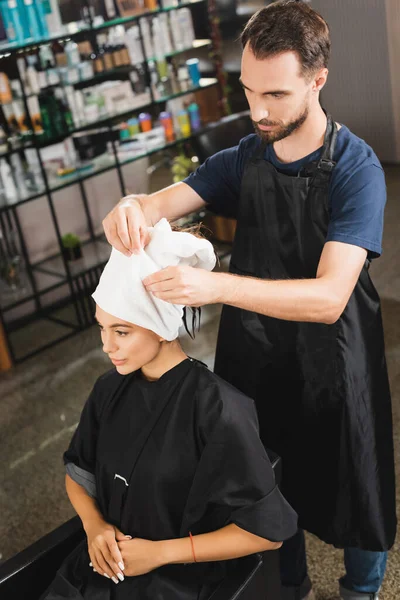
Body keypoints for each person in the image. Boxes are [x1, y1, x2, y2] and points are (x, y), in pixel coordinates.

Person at [101, 2, 397, 600]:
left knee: (355, 475)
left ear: (318, 80)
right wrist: (132, 206)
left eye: (277, 95)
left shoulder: (357, 169)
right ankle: (288, 588)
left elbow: (328, 298)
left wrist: (213, 288)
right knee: (263, 478)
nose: (258, 111)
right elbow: (162, 202)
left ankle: (362, 590)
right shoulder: (246, 157)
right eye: (249, 91)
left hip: (335, 358)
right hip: (257, 356)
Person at [40, 219, 298, 600]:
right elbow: (79, 473)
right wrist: (95, 526)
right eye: (102, 328)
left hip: (174, 582)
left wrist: (160, 554)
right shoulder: (108, 389)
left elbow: (266, 531)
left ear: (161, 326)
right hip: (100, 571)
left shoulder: (218, 409)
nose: (107, 346)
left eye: (121, 331)